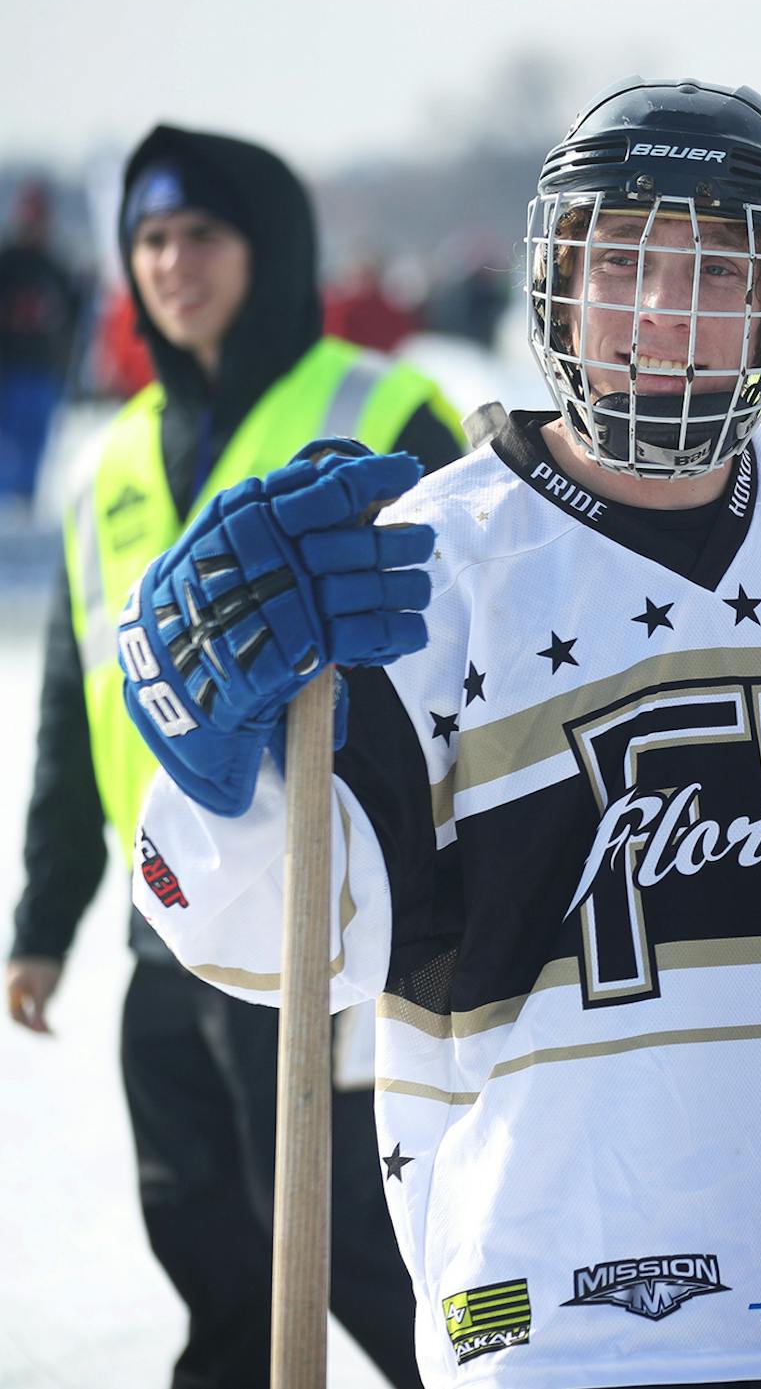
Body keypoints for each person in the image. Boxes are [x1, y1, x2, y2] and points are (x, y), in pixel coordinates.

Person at [116, 77, 761, 1388]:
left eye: (719, 266)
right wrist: (215, 768)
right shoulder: (431, 565)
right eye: (622, 260)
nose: (667, 312)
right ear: (555, 283)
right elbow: (297, 950)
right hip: (545, 1323)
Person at [6, 124, 463, 1389]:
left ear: (269, 247)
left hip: (322, 918)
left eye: (201, 234)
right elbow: (72, 699)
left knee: (357, 1256)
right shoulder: (110, 459)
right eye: (149, 240)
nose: (171, 263)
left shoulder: (375, 408)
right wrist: (46, 914)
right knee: (204, 1242)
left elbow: (465, 658)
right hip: (167, 921)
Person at [0, 178, 83, 503]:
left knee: (33, 444)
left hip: (42, 371)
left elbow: (72, 316)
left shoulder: (55, 267)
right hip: (7, 370)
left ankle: (22, 503)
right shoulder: (7, 263)